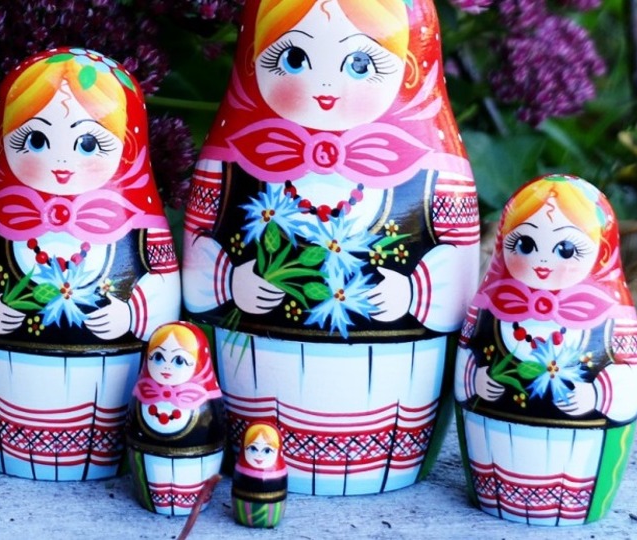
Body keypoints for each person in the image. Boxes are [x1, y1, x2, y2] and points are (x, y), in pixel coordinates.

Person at [181, 0, 479, 495]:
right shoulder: (230, 168)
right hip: (250, 388)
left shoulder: (436, 175)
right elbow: (199, 253)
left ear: (408, 68)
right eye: (295, 59)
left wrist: (413, 294)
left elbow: (457, 270)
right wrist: (230, 281)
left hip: (395, 408)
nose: (325, 84)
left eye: (359, 63)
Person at [0, 48, 180, 481]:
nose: (62, 160)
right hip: (1, 402)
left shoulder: (139, 229)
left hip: (108, 397)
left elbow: (160, 285)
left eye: (88, 143)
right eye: (35, 140)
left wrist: (132, 313)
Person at [453, 174, 637, 525]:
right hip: (495, 456)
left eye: (566, 249)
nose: (542, 261)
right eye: (525, 244)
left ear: (602, 251)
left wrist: (598, 395)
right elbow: (466, 355)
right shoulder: (490, 310)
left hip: (579, 464)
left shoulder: (612, 320)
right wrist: (475, 380)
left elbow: (629, 379)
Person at [126, 322, 225, 516]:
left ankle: (195, 499)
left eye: (179, 360)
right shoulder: (143, 393)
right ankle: (148, 497)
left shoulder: (205, 399)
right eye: (158, 357)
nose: (166, 366)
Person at [231, 421, 288, 528]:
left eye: (267, 451)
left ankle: (270, 519)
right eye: (253, 449)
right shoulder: (241, 468)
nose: (259, 455)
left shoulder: (279, 472)